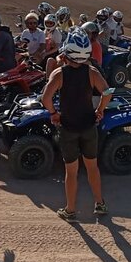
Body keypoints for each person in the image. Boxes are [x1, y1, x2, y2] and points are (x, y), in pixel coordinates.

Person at [41, 28, 112, 223]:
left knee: (71, 172)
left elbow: (46, 98)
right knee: (92, 167)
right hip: (89, 127)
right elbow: (107, 92)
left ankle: (70, 210)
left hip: (68, 128)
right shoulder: (92, 72)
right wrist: (100, 111)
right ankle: (100, 203)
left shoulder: (59, 74)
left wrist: (54, 114)